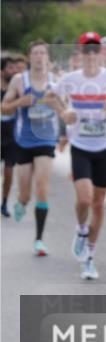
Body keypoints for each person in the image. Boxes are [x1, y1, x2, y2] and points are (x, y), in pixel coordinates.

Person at [56, 31, 106, 280]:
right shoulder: (70, 79)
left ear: (100, 53)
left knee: (98, 204)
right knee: (85, 200)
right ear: (80, 53)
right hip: (80, 145)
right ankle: (80, 228)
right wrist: (64, 111)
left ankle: (89, 257)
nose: (90, 55)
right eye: (85, 50)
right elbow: (51, 97)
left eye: (94, 50)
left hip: (104, 146)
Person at [0, 42, 61, 255]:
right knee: (25, 194)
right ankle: (20, 202)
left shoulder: (56, 81)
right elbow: (4, 108)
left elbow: (68, 110)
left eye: (42, 53)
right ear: (29, 57)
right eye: (35, 53)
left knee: (42, 189)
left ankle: (39, 240)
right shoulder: (19, 80)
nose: (38, 56)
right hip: (23, 142)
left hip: (46, 141)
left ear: (47, 57)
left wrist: (59, 107)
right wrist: (19, 103)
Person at [1, 54, 27, 217]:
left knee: (9, 171)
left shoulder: (17, 87)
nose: (13, 71)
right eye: (9, 68)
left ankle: (4, 202)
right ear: (1, 70)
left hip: (11, 133)